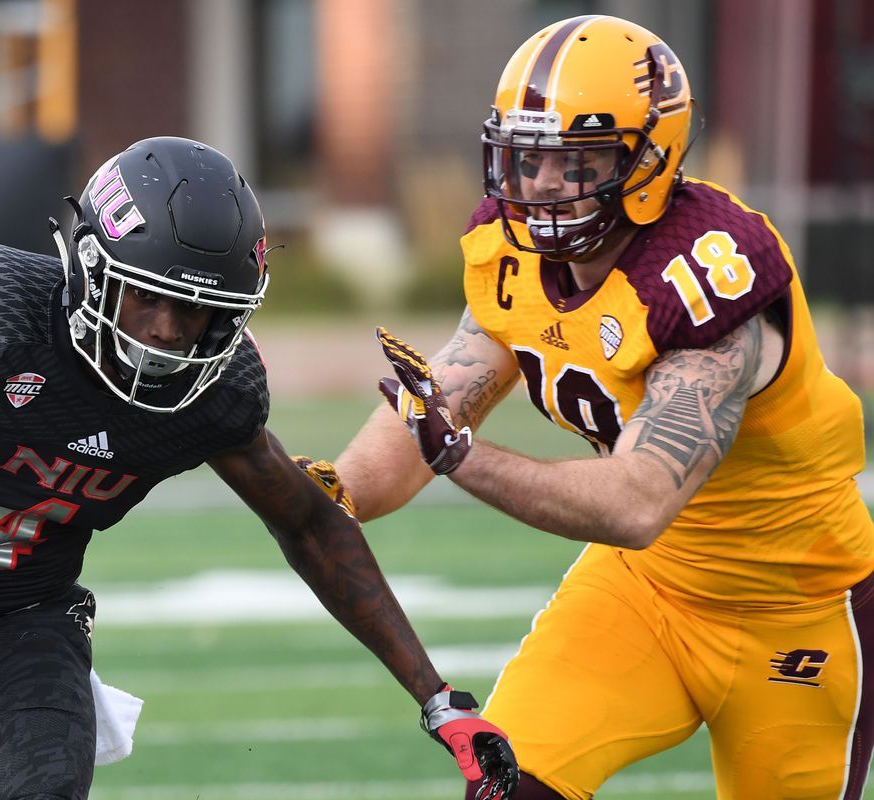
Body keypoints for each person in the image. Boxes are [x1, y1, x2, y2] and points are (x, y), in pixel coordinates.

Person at [0, 136, 517, 800]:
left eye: (198, 309)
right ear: (89, 269)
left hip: (22, 621)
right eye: (145, 297)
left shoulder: (217, 392)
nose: (167, 333)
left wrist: (438, 700)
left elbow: (308, 521)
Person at [314, 15, 874, 800]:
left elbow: (638, 500)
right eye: (529, 155)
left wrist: (461, 455)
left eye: (575, 160)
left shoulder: (708, 277)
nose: (541, 182)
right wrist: (329, 497)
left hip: (796, 607)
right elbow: (442, 390)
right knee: (509, 786)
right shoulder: (512, 251)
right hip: (645, 589)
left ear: (647, 160)